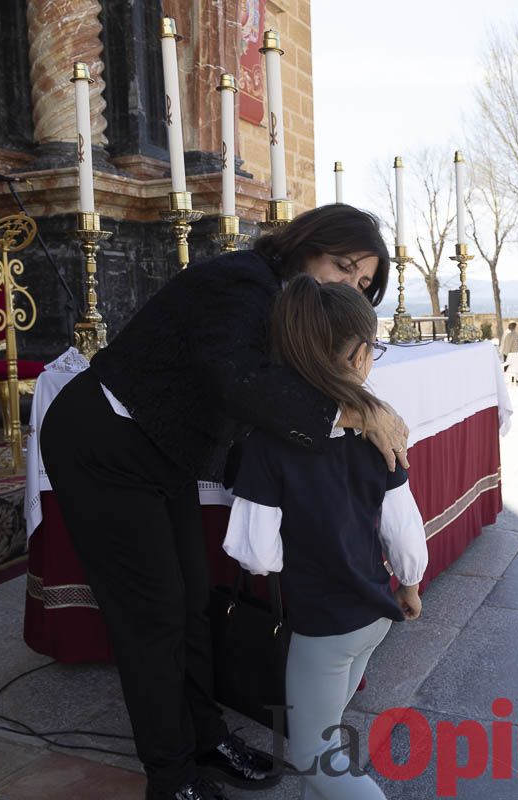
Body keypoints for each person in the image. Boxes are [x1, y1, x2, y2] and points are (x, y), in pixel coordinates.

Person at [39, 205, 403, 800]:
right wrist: (354, 408)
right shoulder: (243, 281)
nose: (346, 286)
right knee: (152, 619)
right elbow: (238, 379)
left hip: (164, 451)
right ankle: (171, 775)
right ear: (306, 245)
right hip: (104, 441)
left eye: (362, 285)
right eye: (341, 266)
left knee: (190, 605)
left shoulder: (288, 304)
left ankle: (205, 738)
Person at [224, 276, 428, 800]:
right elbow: (404, 532)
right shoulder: (377, 433)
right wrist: (409, 586)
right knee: (328, 744)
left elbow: (258, 556)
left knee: (310, 754)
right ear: (358, 354)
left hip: (321, 625)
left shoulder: (268, 446)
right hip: (374, 614)